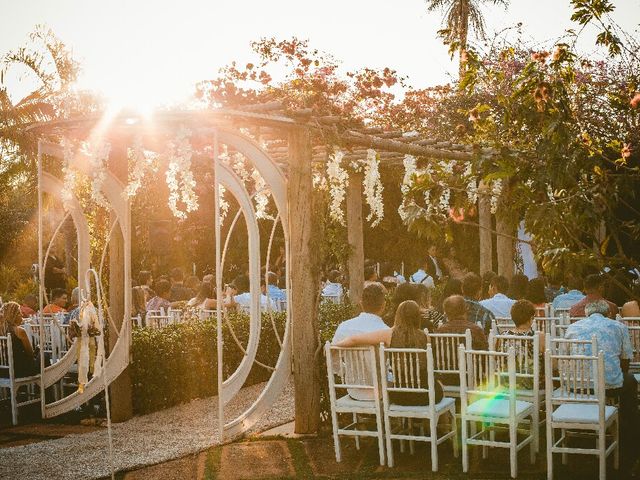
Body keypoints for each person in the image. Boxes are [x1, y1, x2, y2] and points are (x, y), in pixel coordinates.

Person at [565, 300, 639, 474]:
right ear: (609, 314)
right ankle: (628, 432)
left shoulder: (573, 328)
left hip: (577, 386)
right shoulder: (618, 326)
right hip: (609, 387)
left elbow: (566, 357)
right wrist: (615, 375)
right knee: (630, 381)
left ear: (586, 313)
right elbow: (626, 358)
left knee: (625, 380)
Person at [335, 300, 443, 406]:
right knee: (438, 385)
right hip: (427, 394)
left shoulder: (389, 334)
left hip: (399, 394)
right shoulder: (425, 336)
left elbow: (354, 340)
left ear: (398, 315)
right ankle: (429, 423)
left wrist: (334, 346)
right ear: (417, 316)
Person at [332, 282, 389, 400]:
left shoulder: (344, 327)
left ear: (361, 303)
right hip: (381, 391)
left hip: (354, 390)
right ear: (384, 305)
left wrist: (344, 372)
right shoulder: (385, 331)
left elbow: (333, 356)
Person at [434, 295, 488, 385]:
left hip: (446, 378)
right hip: (472, 377)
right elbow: (485, 356)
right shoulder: (475, 330)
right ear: (465, 309)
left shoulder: (439, 331)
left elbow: (435, 357)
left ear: (446, 312)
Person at [0, 302, 38, 377]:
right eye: (20, 313)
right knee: (45, 356)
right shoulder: (19, 331)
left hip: (3, 372)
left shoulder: (2, 331)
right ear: (15, 316)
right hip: (19, 371)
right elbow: (30, 353)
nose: (22, 315)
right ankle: (46, 386)